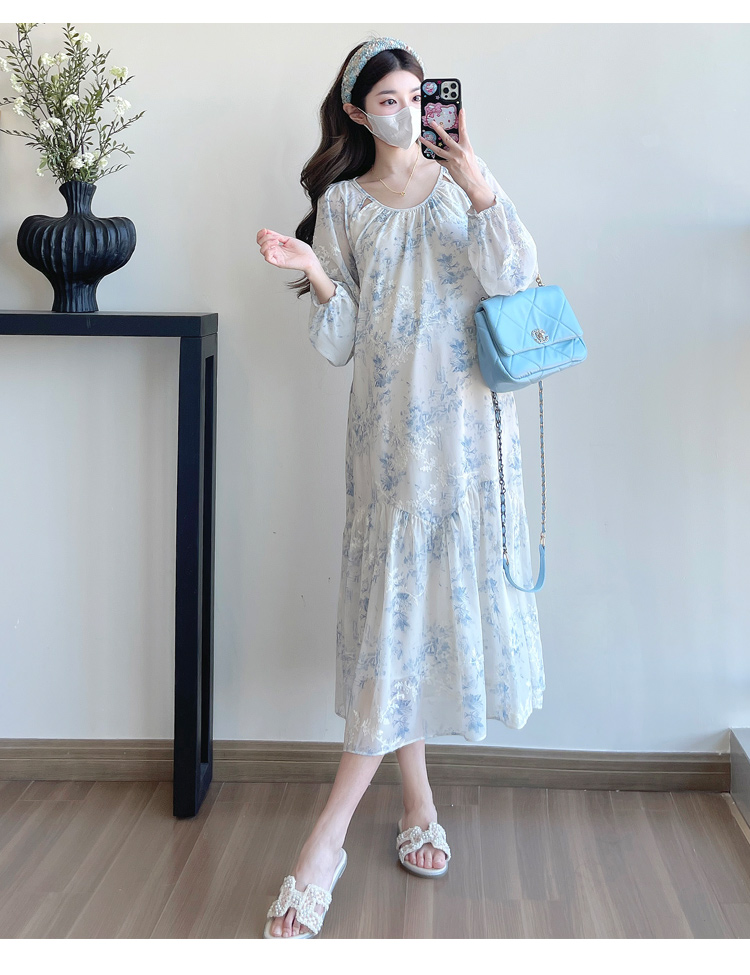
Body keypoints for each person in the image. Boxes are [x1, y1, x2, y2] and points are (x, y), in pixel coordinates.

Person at [256, 36, 545, 939]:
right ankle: (404, 809)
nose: (407, 111)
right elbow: (343, 342)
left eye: (417, 95)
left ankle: (334, 839)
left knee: (413, 620)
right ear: (356, 111)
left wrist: (481, 184)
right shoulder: (343, 204)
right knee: (397, 623)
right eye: (388, 99)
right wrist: (313, 271)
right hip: (389, 446)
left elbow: (518, 279)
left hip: (470, 438)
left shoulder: (464, 183)